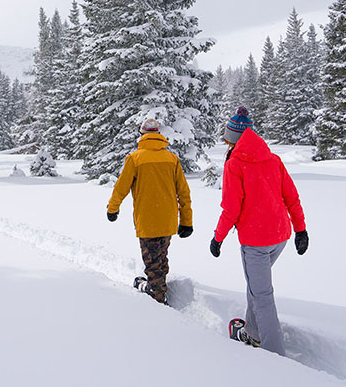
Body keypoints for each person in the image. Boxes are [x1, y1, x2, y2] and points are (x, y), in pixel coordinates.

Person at [210, 107, 309, 356]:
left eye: (227, 139)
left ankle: (274, 357)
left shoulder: (235, 165)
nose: (226, 144)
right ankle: (253, 334)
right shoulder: (272, 159)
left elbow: (231, 208)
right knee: (256, 286)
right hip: (280, 236)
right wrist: (300, 229)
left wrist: (217, 238)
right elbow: (292, 197)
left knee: (262, 295)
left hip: (256, 241)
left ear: (234, 139)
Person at [107, 118, 193, 305]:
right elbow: (184, 192)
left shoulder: (135, 159)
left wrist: (112, 209)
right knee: (161, 257)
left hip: (147, 221)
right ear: (158, 135)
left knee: (153, 262)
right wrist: (186, 221)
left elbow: (121, 188)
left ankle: (157, 299)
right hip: (168, 220)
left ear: (142, 135)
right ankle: (157, 284)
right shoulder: (171, 159)